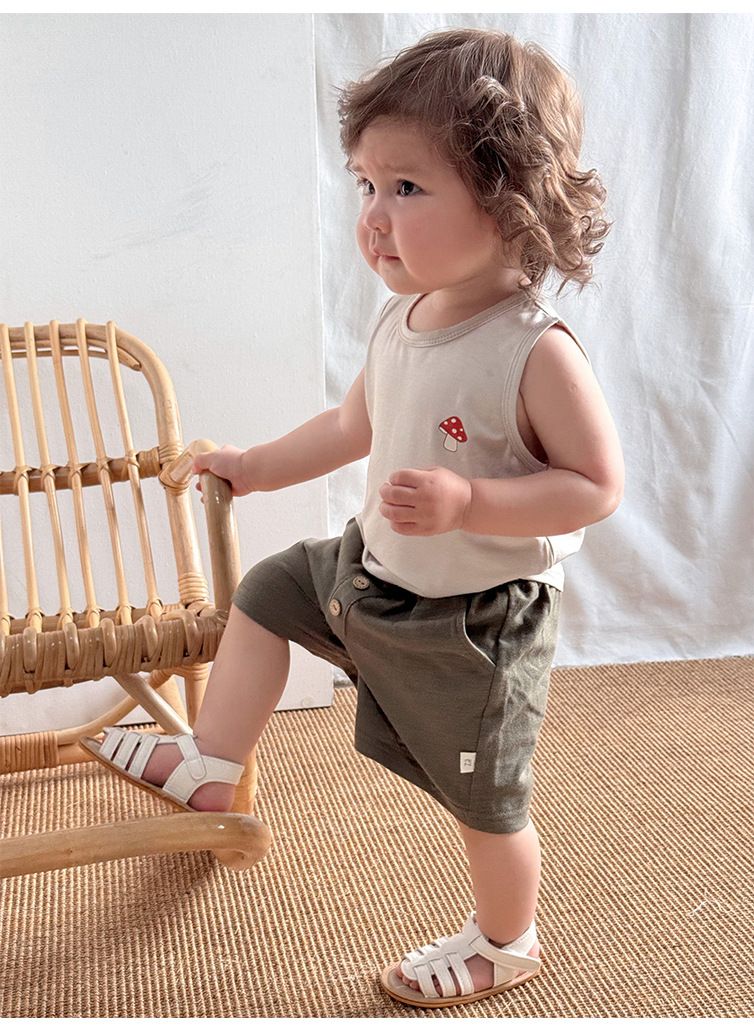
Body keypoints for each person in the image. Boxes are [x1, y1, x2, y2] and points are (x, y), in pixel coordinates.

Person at [81, 27, 624, 1008]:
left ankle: (507, 941)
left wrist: (474, 500)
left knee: (487, 801)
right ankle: (212, 762)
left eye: (406, 187)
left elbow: (594, 485)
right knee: (270, 589)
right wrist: (252, 465)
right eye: (365, 184)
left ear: (509, 197)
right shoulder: (401, 318)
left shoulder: (533, 350)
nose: (373, 217)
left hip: (474, 620)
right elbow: (350, 426)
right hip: (374, 572)